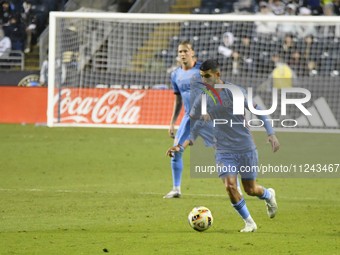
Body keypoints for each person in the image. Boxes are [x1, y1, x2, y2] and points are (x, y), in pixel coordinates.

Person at [166, 59, 279, 232]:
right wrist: (179, 144)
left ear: (218, 75)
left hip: (246, 147)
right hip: (224, 150)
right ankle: (249, 223)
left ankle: (268, 195)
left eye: (208, 76)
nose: (204, 80)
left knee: (250, 189)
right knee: (230, 186)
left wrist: (271, 133)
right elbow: (190, 121)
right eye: (202, 77)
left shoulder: (234, 92)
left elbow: (259, 111)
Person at [164, 42, 242, 199]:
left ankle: (238, 189)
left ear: (192, 52)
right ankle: (176, 189)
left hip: (209, 118)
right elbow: (178, 100)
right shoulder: (175, 74)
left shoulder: (203, 70)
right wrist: (172, 122)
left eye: (185, 51)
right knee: (177, 150)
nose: (182, 54)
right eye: (180, 51)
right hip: (189, 119)